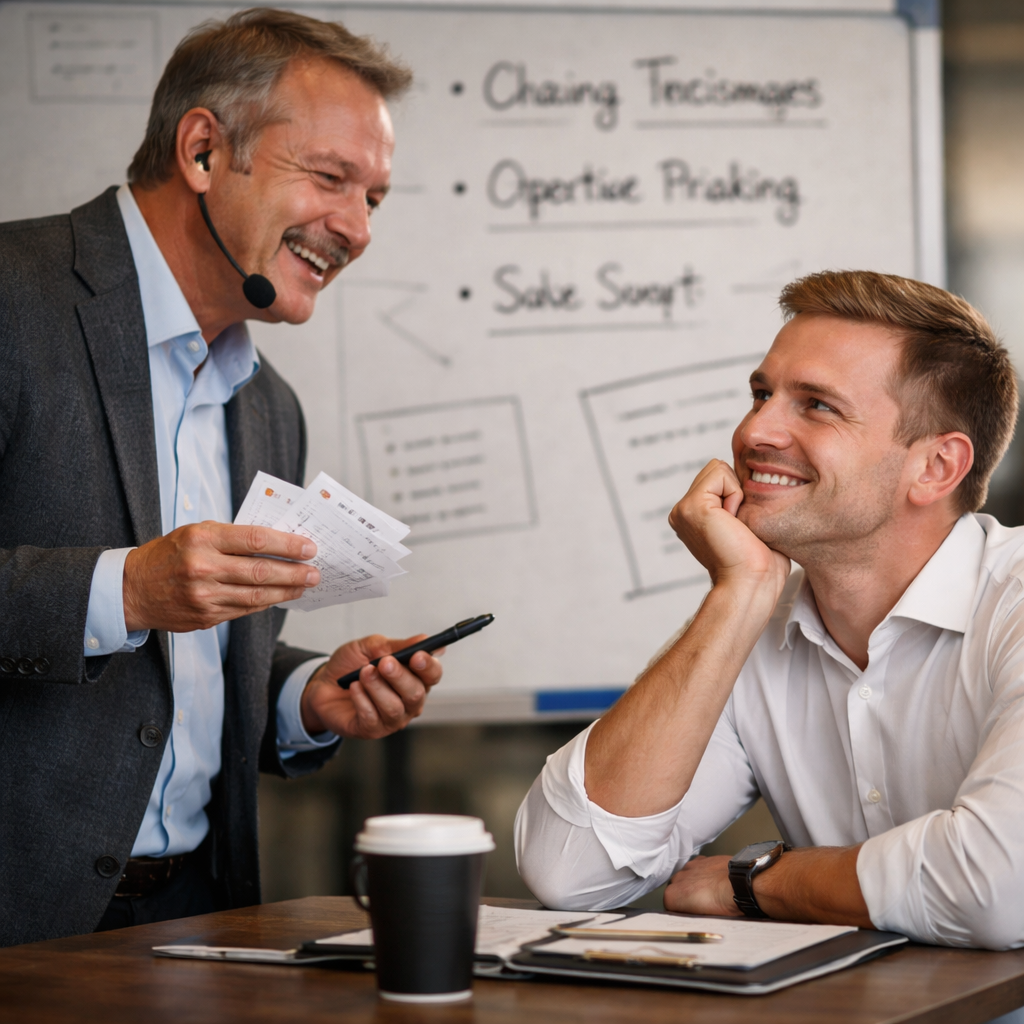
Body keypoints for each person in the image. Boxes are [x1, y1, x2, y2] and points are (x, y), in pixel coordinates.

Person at [0, 9, 442, 947]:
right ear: (203, 150)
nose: (356, 229)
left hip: (198, 921)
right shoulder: (9, 298)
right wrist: (125, 588)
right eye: (330, 178)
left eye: (375, 199)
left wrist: (302, 696)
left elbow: (193, 668)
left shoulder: (269, 403)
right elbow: (141, 602)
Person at [514, 269, 1024, 950]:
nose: (755, 431)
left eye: (816, 405)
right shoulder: (754, 621)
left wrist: (756, 883)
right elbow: (568, 871)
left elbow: (998, 888)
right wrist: (739, 594)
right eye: (761, 394)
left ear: (934, 468)